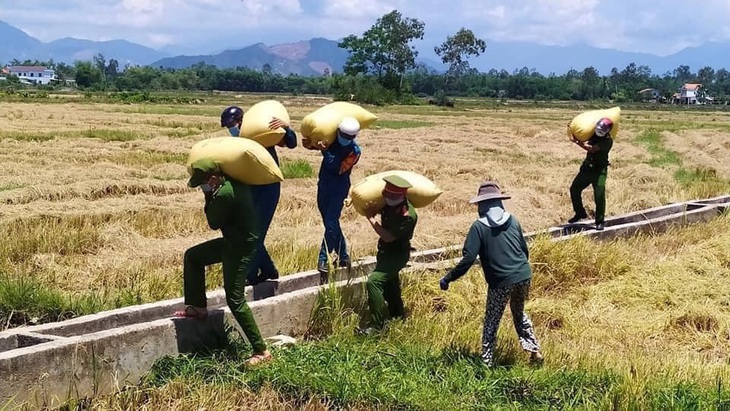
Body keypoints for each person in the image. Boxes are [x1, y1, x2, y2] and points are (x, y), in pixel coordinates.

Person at [174, 158, 271, 366]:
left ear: (214, 178)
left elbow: (212, 222)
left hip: (240, 246)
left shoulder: (225, 194)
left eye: (203, 184)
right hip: (232, 241)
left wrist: (208, 197)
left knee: (235, 299)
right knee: (193, 257)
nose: (202, 187)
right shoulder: (230, 183)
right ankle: (198, 307)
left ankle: (261, 350)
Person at [439, 181, 543, 367]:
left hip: (501, 282)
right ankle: (534, 351)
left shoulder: (478, 227)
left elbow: (468, 259)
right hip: (523, 275)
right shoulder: (513, 220)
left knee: (491, 321)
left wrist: (448, 278)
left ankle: (486, 362)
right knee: (519, 313)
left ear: (482, 205)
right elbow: (524, 250)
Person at [220, 105, 298, 285]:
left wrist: (286, 127)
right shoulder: (237, 142)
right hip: (249, 190)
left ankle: (251, 275)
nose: (231, 129)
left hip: (267, 189)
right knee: (249, 233)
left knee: (255, 235)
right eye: (228, 127)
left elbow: (291, 143)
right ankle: (269, 270)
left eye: (232, 125)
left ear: (240, 121)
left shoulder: (261, 135)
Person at [302, 117, 362, 274]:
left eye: (349, 137)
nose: (345, 139)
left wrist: (325, 150)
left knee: (331, 222)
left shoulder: (354, 152)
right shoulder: (332, 140)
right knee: (331, 223)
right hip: (324, 186)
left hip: (339, 189)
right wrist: (311, 144)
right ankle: (343, 255)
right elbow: (313, 145)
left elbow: (336, 167)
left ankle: (323, 257)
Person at [364, 175, 418, 330]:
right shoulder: (389, 203)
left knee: (374, 281)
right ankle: (397, 316)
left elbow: (388, 237)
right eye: (386, 195)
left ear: (401, 196)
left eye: (392, 196)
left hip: (397, 254)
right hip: (384, 252)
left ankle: (377, 326)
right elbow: (379, 206)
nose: (388, 198)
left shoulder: (408, 215)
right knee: (390, 285)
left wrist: (371, 219)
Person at [567, 117, 614, 231]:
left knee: (599, 195)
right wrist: (573, 128)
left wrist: (577, 142)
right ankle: (580, 213)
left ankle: (599, 221)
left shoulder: (607, 141)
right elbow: (583, 131)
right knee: (574, 189)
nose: (599, 130)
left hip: (600, 172)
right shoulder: (593, 134)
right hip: (587, 169)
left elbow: (591, 149)